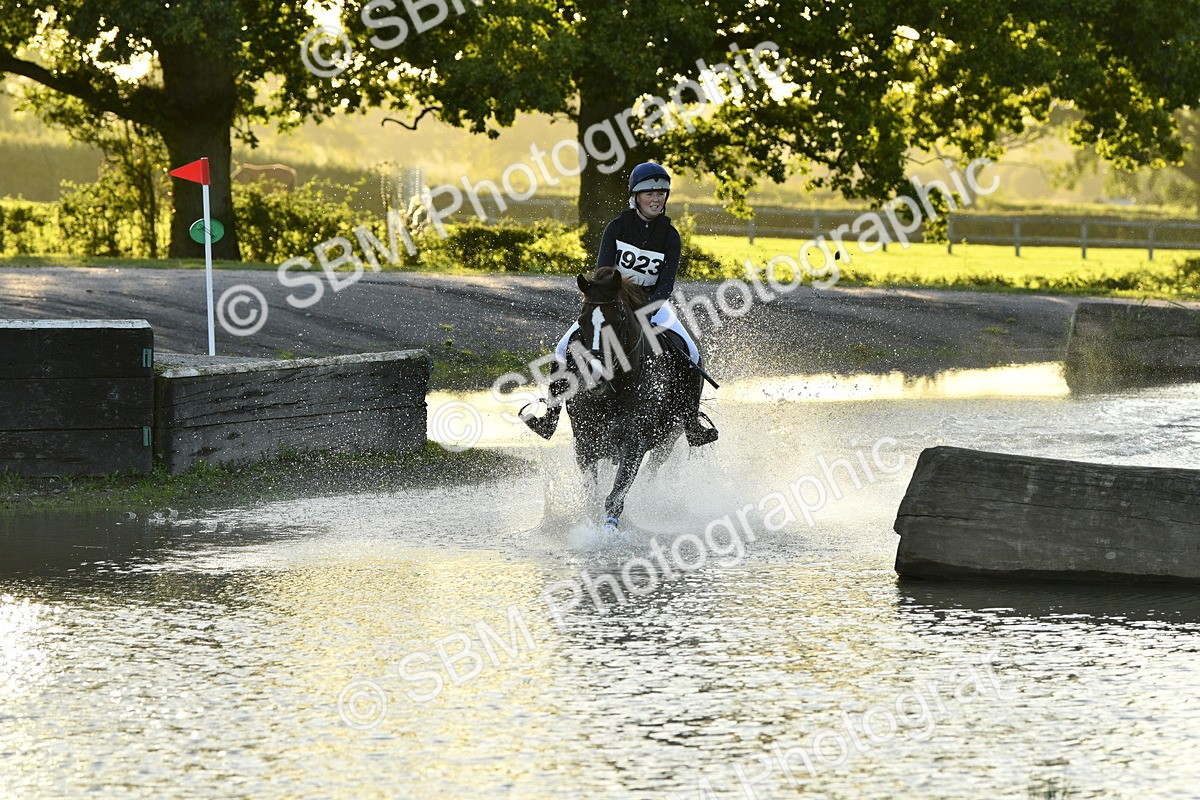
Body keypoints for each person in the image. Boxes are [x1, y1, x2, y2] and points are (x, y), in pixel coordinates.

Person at [521, 161, 718, 447]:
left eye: (661, 193)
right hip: (612, 304)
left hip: (653, 304)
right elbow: (604, 274)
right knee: (564, 347)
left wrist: (644, 310)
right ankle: (550, 417)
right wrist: (619, 306)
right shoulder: (616, 228)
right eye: (649, 193)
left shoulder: (670, 236)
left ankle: (691, 424)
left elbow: (665, 284)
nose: (656, 198)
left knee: (690, 351)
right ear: (635, 197)